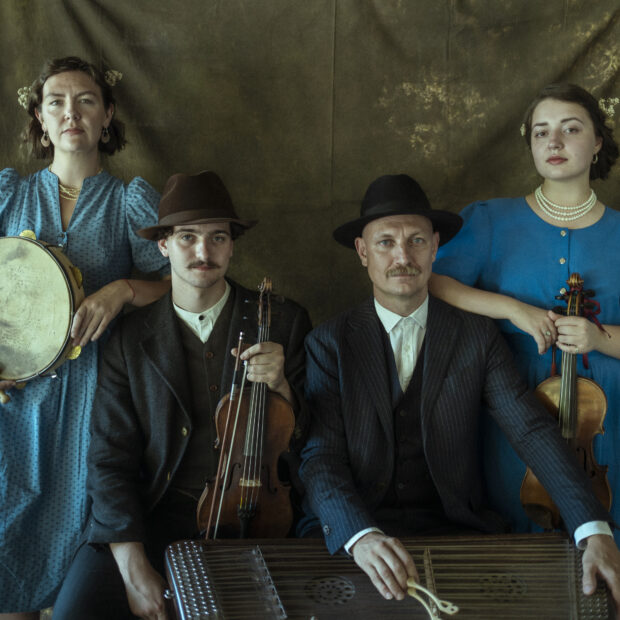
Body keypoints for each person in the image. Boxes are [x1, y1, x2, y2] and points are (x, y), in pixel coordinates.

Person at [298, 173, 620, 609]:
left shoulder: (477, 336)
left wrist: (594, 530)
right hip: (355, 532)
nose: (402, 256)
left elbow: (531, 430)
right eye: (385, 243)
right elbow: (321, 457)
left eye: (416, 241)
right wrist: (361, 535)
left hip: (455, 531)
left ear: (435, 247)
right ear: (362, 252)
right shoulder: (328, 343)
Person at [52, 170, 312, 620]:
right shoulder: (128, 339)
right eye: (187, 237)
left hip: (258, 520)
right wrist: (133, 566)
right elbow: (109, 459)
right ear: (163, 246)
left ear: (232, 246)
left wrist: (282, 388)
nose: (203, 253)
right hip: (155, 520)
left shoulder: (283, 322)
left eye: (217, 238)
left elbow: (317, 439)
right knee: (75, 612)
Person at [0, 57, 170, 618]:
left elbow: (183, 283)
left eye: (86, 101)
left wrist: (123, 288)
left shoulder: (129, 202)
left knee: (75, 544)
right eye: (56, 102)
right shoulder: (9, 194)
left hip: (94, 401)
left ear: (107, 116)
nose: (71, 113)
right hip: (12, 404)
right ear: (40, 120)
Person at [430, 83, 620, 544]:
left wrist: (600, 338)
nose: (553, 142)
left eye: (570, 129)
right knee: (516, 540)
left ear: (597, 142)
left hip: (610, 421)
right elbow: (433, 282)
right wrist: (512, 309)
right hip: (512, 409)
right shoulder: (490, 220)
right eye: (541, 132)